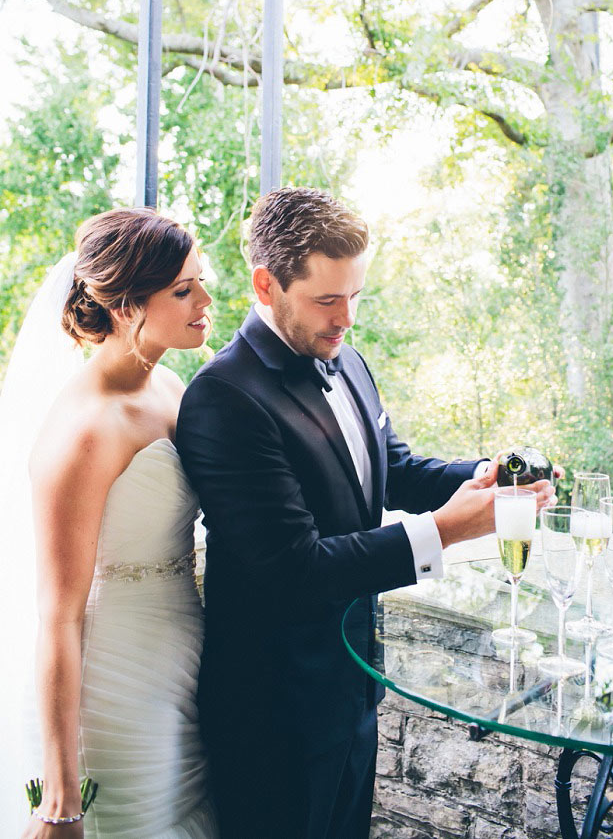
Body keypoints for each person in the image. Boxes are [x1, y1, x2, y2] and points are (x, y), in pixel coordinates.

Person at [176, 186, 556, 839]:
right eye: (328, 299)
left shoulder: (346, 358)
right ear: (267, 286)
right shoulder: (223, 399)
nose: (346, 317)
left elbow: (396, 471)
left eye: (356, 296)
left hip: (353, 695)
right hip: (272, 712)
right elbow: (293, 569)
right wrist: (449, 530)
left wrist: (484, 479)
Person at [0, 208, 219, 839]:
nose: (205, 299)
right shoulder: (83, 432)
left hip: (181, 660)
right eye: (183, 290)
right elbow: (59, 617)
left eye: (199, 280)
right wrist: (60, 796)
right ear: (125, 306)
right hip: (114, 682)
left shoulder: (169, 385)